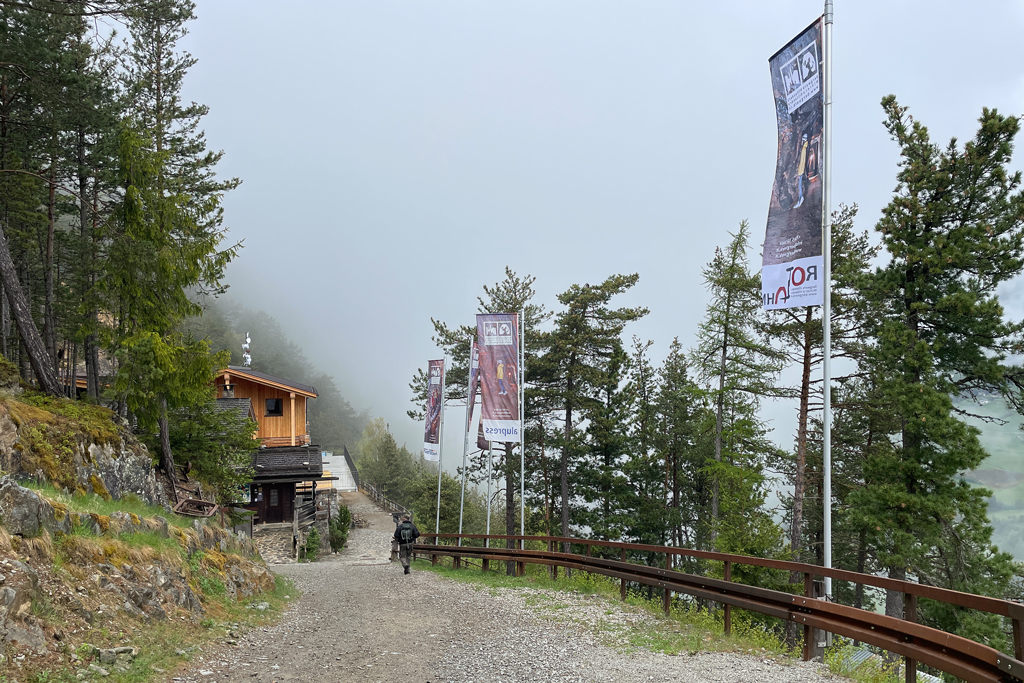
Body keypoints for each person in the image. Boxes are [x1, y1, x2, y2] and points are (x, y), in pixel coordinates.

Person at [793, 133, 809, 209]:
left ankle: (801, 198)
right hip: (800, 170)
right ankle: (800, 199)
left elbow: (802, 160)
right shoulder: (803, 147)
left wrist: (800, 170)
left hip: (801, 170)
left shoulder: (804, 148)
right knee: (799, 185)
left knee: (799, 185)